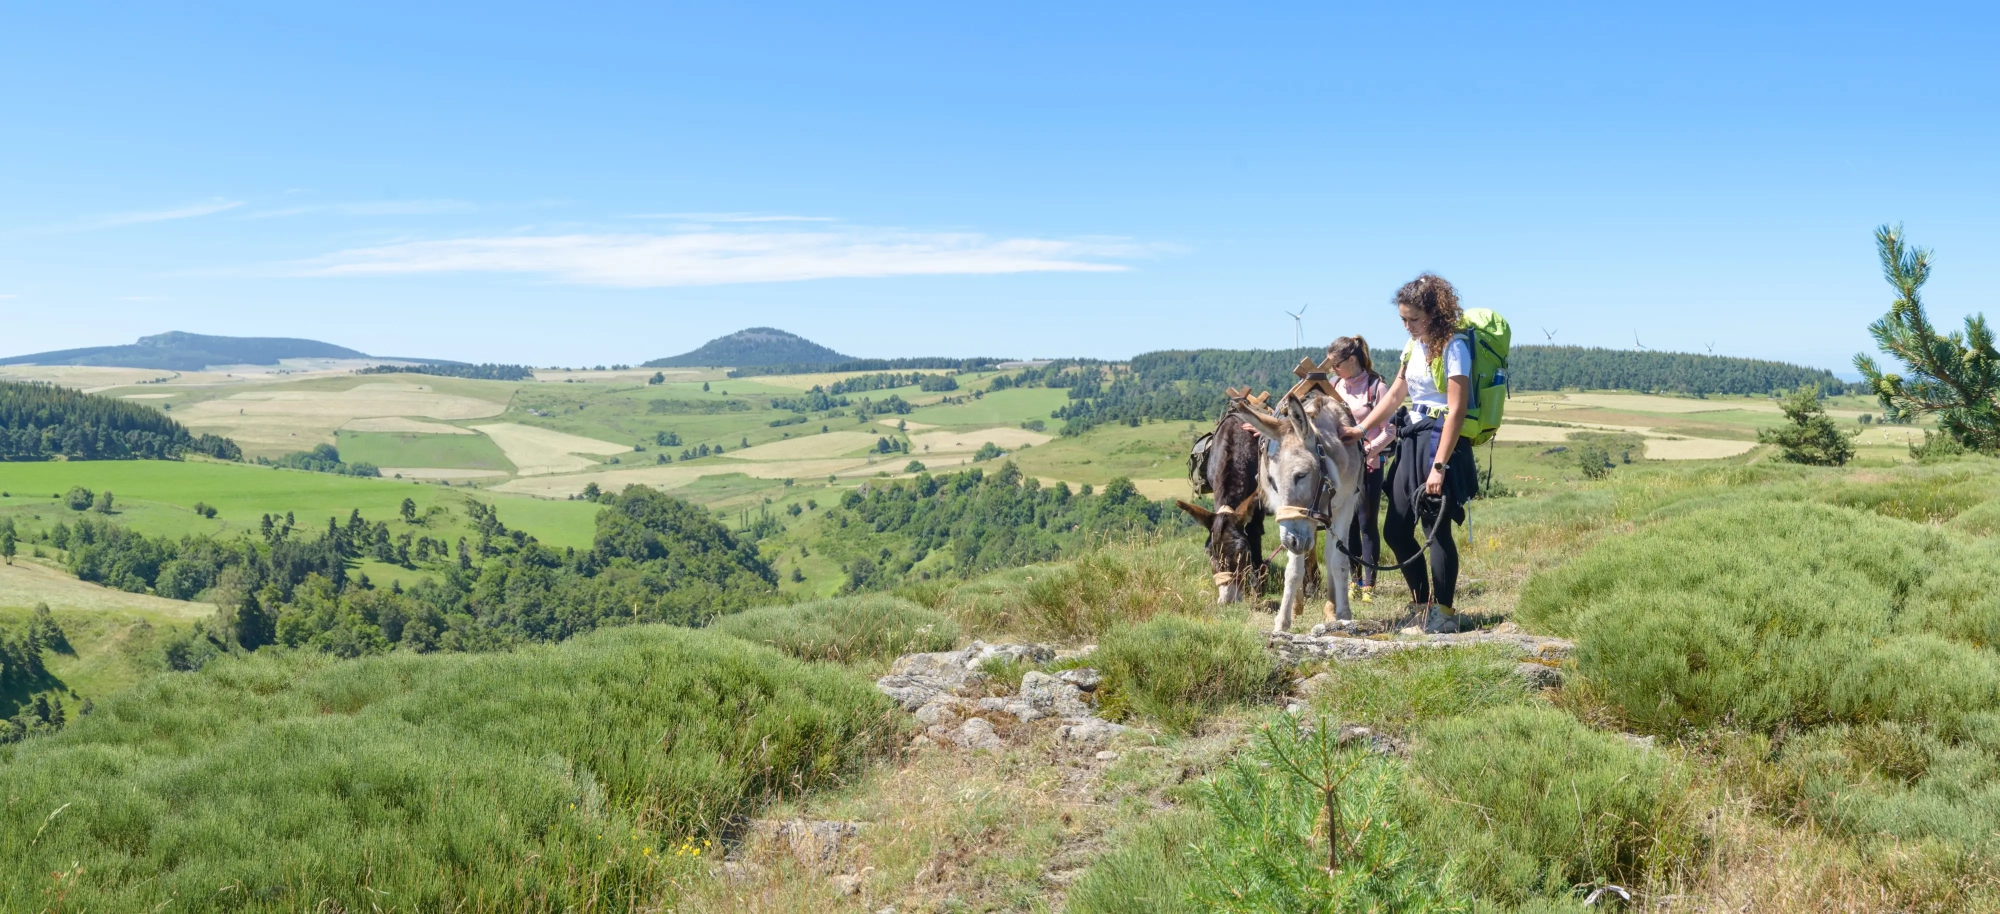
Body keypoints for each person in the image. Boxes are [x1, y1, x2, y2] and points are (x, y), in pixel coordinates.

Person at [1342, 274, 1479, 633]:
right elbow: (1395, 396)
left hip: (1440, 443)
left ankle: (1444, 613)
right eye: (1403, 318)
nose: (1407, 325)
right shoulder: (1412, 347)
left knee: (1435, 529)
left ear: (1435, 313)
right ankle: (1422, 607)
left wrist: (1438, 467)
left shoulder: (1455, 348)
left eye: (1413, 318)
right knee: (1396, 530)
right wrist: (1361, 428)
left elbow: (1457, 410)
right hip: (1411, 440)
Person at [1327, 335, 1392, 606]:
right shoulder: (1333, 386)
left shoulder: (1377, 387)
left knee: (1366, 524)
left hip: (1369, 465)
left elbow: (1390, 431)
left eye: (1336, 364)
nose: (1333, 370)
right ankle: (1352, 580)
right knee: (1347, 523)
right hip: (1343, 469)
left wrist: (1368, 450)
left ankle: (1369, 584)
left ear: (1352, 360)